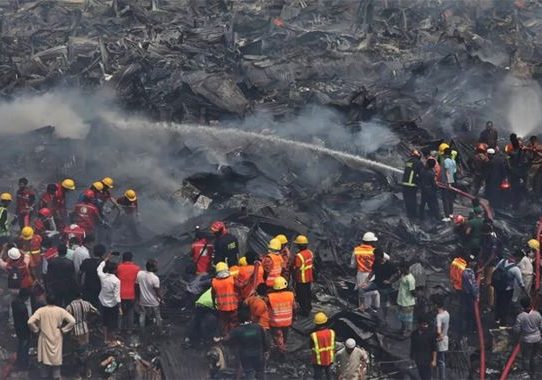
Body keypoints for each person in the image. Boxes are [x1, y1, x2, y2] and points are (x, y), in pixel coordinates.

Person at [27, 295, 76, 380]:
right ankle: (56, 376)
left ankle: (44, 376)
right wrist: (64, 330)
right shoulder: (60, 311)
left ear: (46, 301)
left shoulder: (41, 311)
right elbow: (73, 321)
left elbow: (30, 322)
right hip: (56, 336)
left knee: (44, 360)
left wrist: (36, 330)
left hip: (44, 336)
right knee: (56, 359)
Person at [221, 305, 269, 380]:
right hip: (259, 355)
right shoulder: (258, 327)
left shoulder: (237, 330)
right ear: (250, 317)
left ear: (239, 319)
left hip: (246, 356)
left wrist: (219, 339)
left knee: (249, 372)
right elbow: (265, 340)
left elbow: (226, 339)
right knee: (260, 372)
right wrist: (266, 351)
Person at [66, 291, 98, 379]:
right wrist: (90, 321)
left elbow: (65, 318)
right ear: (81, 295)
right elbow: (96, 312)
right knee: (85, 352)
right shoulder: (86, 304)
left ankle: (77, 374)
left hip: (74, 332)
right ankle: (87, 371)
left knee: (75, 353)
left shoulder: (69, 307)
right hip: (85, 331)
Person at [363, 248, 398, 317]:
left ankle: (384, 316)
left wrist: (390, 281)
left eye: (376, 256)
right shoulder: (376, 262)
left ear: (380, 256)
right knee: (363, 290)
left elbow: (397, 273)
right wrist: (366, 280)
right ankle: (367, 307)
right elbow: (372, 272)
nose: (375, 257)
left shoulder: (389, 264)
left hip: (385, 286)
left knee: (384, 303)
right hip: (376, 282)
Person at [513, 296, 542, 378]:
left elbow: (517, 330)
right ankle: (534, 372)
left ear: (522, 305)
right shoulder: (537, 314)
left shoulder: (521, 317)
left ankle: (526, 373)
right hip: (537, 338)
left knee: (526, 357)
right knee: (535, 356)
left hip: (526, 339)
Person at [494, 254, 525, 326]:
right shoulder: (515, 269)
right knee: (505, 305)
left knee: (498, 302)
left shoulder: (502, 261)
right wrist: (524, 290)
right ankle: (503, 321)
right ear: (518, 258)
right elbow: (520, 281)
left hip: (498, 287)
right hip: (508, 289)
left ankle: (497, 318)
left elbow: (496, 269)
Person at [97, 252, 121, 344]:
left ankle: (105, 339)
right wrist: (120, 307)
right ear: (115, 271)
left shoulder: (102, 276)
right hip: (112, 304)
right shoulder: (116, 281)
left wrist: (106, 259)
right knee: (112, 322)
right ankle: (112, 339)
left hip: (102, 301)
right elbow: (117, 296)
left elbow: (99, 268)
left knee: (104, 321)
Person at [267, 276, 295, 355]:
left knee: (278, 337)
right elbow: (294, 307)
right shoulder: (290, 295)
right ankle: (283, 346)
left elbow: (265, 307)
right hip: (287, 320)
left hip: (275, 322)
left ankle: (280, 351)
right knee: (284, 336)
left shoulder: (270, 296)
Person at [351, 232, 378, 311]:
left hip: (361, 274)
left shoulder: (356, 250)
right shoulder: (375, 251)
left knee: (362, 293)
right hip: (372, 274)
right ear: (370, 242)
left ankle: (363, 309)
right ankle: (374, 309)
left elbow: (353, 265)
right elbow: (387, 258)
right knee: (373, 292)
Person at [212, 261, 238, 335]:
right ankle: (233, 335)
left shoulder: (214, 281)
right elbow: (239, 285)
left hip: (221, 306)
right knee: (233, 321)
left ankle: (224, 336)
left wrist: (214, 304)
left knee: (223, 322)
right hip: (232, 305)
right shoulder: (231, 279)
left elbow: (213, 294)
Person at [117, 251, 140, 332]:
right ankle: (129, 329)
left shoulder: (118, 267)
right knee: (130, 311)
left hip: (120, 293)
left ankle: (119, 329)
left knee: (120, 311)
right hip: (131, 294)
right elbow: (137, 283)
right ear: (131, 259)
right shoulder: (137, 268)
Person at [136, 259, 162, 329]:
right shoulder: (155, 278)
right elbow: (157, 292)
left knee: (142, 316)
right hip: (153, 301)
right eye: (155, 266)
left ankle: (142, 331)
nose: (157, 268)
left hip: (143, 300)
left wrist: (138, 298)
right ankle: (160, 330)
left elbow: (137, 287)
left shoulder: (139, 274)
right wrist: (161, 299)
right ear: (151, 268)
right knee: (157, 316)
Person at [292, 235, 314, 316]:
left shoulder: (299, 256)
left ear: (300, 245)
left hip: (301, 279)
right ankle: (308, 307)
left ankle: (304, 311)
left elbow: (297, 268)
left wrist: (294, 277)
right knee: (308, 294)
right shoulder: (310, 253)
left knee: (301, 295)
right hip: (309, 278)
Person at [410, 315, 437, 380]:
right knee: (421, 374)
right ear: (419, 324)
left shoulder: (430, 334)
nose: (426, 326)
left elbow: (434, 348)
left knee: (427, 376)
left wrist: (434, 360)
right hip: (418, 359)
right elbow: (412, 346)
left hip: (427, 359)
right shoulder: (414, 334)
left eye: (426, 324)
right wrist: (411, 357)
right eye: (424, 324)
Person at [310, 312, 336, 380]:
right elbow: (333, 343)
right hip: (329, 358)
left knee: (318, 376)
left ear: (316, 323)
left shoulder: (314, 335)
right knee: (329, 374)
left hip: (318, 360)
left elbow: (311, 346)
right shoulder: (331, 332)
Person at [79, 244, 105, 308]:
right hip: (99, 290)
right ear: (103, 253)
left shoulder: (87, 262)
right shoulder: (104, 263)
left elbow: (80, 273)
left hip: (87, 288)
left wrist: (80, 285)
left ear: (93, 252)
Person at [11, 288, 32, 370]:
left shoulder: (14, 302)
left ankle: (19, 362)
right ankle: (24, 364)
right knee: (24, 347)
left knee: (20, 346)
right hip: (24, 329)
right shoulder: (22, 306)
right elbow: (26, 320)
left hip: (18, 327)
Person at [401, 149, 423, 219]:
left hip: (405, 184)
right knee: (412, 201)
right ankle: (413, 216)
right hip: (412, 184)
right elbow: (421, 174)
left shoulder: (408, 162)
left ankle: (409, 215)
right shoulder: (419, 163)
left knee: (407, 200)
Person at [397, 261, 416, 335]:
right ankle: (403, 329)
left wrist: (415, 298)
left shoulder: (410, 279)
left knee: (407, 318)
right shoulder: (403, 275)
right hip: (401, 300)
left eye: (401, 268)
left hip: (407, 302)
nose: (400, 270)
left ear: (405, 268)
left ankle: (407, 331)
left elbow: (413, 291)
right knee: (401, 316)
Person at [461, 257, 479, 334]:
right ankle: (470, 329)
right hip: (470, 295)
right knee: (471, 313)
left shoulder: (465, 271)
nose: (475, 263)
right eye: (473, 262)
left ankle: (468, 328)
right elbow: (472, 286)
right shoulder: (469, 272)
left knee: (468, 312)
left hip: (466, 293)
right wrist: (476, 295)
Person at [435, 296, 450, 380]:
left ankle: (441, 377)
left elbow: (438, 330)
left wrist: (438, 337)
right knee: (442, 359)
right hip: (445, 337)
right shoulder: (447, 313)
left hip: (439, 339)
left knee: (439, 360)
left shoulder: (439, 316)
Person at [440, 147, 457, 221]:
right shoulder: (453, 161)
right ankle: (451, 214)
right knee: (450, 199)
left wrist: (448, 182)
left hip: (446, 183)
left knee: (445, 199)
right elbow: (454, 171)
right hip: (452, 182)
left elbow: (447, 172)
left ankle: (447, 216)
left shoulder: (445, 161)